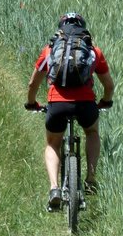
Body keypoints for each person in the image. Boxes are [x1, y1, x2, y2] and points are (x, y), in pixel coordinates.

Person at [25, 12, 115, 210]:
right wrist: (105, 101)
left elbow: (33, 83)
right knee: (91, 132)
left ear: (61, 29)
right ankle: (90, 179)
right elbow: (109, 85)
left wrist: (31, 103)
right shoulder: (93, 51)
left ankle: (55, 188)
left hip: (57, 105)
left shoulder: (49, 50)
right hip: (86, 105)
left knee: (52, 144)